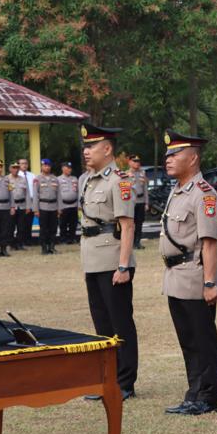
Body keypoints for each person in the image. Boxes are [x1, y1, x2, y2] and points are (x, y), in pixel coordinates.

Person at [160, 131, 217, 417]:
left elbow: (209, 243)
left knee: (202, 339)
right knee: (187, 339)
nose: (168, 159)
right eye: (168, 155)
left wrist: (209, 282)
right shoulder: (177, 190)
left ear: (193, 158)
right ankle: (193, 393)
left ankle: (207, 396)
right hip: (175, 275)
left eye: (175, 154)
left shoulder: (204, 194)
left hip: (196, 276)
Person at [79, 124, 139, 401]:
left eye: (92, 146)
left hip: (113, 258)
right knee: (101, 323)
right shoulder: (86, 179)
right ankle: (107, 379)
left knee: (120, 322)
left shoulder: (120, 181)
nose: (86, 151)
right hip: (92, 257)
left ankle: (125, 381)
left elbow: (127, 226)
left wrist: (124, 266)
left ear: (107, 149)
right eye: (85, 146)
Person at [34, 158, 60, 254]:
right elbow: (36, 195)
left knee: (53, 228)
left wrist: (59, 208)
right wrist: (36, 209)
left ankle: (52, 247)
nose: (47, 167)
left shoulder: (55, 179)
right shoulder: (37, 179)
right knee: (44, 228)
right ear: (41, 166)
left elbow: (59, 195)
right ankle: (44, 248)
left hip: (53, 207)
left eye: (48, 166)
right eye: (45, 165)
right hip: (43, 206)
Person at [8, 161, 31, 250]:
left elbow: (27, 193)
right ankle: (11, 244)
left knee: (22, 226)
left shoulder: (23, 179)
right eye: (13, 167)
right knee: (11, 226)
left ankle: (20, 244)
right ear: (10, 169)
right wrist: (10, 207)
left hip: (22, 205)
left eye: (17, 167)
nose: (15, 169)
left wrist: (28, 206)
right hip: (12, 206)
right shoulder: (7, 179)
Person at [128, 155, 149, 250]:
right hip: (131, 202)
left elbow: (145, 189)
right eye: (134, 161)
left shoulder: (142, 173)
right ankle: (130, 242)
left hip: (140, 201)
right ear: (130, 162)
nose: (137, 163)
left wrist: (146, 203)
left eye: (138, 161)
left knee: (139, 223)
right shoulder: (126, 174)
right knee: (130, 223)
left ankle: (137, 242)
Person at [58, 162, 80, 244]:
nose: (70, 169)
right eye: (68, 168)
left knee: (73, 223)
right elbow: (57, 194)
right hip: (63, 205)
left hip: (73, 204)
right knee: (63, 223)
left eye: (70, 168)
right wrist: (59, 207)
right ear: (63, 168)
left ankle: (72, 238)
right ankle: (63, 239)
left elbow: (78, 192)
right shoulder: (58, 179)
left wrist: (79, 204)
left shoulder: (74, 178)